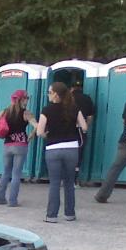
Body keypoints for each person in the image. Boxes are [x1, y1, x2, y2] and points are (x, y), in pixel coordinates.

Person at [37, 81, 88, 222]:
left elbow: (39, 131)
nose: (48, 95)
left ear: (55, 94)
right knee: (69, 182)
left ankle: (51, 215)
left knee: (54, 183)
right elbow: (84, 127)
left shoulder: (47, 110)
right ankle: (70, 214)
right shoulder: (74, 108)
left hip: (53, 148)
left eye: (49, 92)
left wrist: (47, 135)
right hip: (71, 148)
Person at [0, 89, 37, 207]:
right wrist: (31, 135)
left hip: (8, 145)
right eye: (26, 98)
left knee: (6, 172)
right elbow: (37, 125)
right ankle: (12, 201)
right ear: (22, 99)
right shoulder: (26, 113)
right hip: (21, 145)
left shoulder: (6, 111)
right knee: (16, 174)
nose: (27, 100)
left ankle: (0, 198)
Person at [70, 81, 95, 185]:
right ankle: (74, 180)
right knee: (78, 153)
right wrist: (85, 127)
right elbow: (90, 117)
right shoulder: (87, 98)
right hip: (80, 129)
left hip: (67, 129)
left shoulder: (67, 98)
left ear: (71, 88)